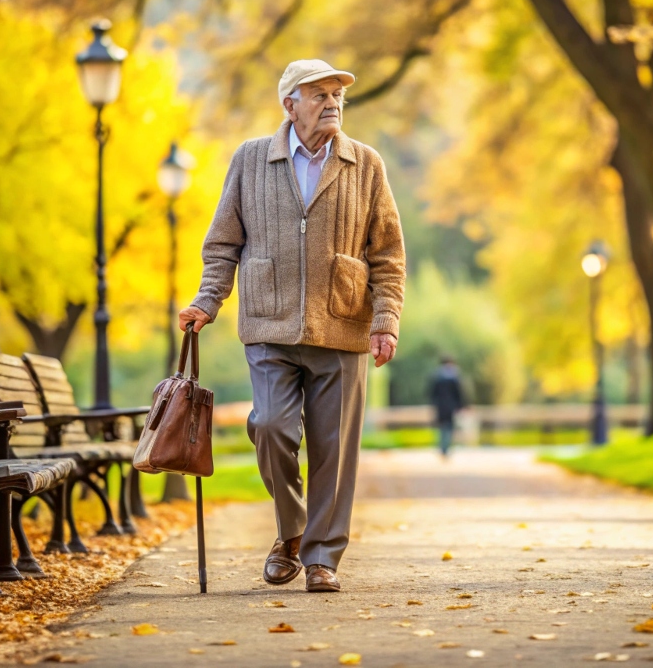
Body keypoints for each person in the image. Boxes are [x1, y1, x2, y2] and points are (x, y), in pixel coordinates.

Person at [178, 59, 406, 593]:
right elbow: (223, 243)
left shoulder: (365, 164)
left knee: (334, 447)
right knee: (271, 427)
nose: (331, 103)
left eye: (337, 95)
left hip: (343, 323)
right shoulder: (251, 158)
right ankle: (292, 532)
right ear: (289, 105)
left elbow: (388, 253)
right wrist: (207, 301)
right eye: (318, 94)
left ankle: (322, 557)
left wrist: (386, 320)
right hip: (268, 324)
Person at [429, 357, 465, 458]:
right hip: (451, 406)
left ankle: (442, 447)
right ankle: (446, 448)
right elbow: (459, 393)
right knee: (449, 427)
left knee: (441, 428)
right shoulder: (454, 377)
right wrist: (461, 405)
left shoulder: (437, 376)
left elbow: (432, 393)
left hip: (440, 406)